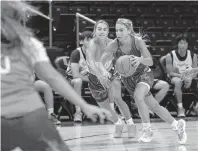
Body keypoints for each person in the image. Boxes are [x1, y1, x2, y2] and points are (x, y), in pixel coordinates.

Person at [1, 1, 110, 151]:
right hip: (30, 116)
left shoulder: (29, 44)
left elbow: (53, 78)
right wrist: (84, 106)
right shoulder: (29, 44)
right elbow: (53, 78)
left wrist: (84, 106)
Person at [99, 18, 187, 144]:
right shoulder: (114, 44)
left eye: (121, 30)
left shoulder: (138, 42)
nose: (118, 33)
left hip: (144, 74)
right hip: (128, 79)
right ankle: (177, 126)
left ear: (129, 30)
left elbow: (150, 61)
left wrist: (140, 59)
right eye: (116, 30)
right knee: (155, 106)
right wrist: (103, 72)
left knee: (138, 96)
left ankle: (147, 130)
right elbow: (101, 62)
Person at [84, 20, 136, 138]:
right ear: (95, 30)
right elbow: (92, 63)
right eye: (99, 29)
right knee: (106, 109)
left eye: (104, 29)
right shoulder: (92, 44)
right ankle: (118, 124)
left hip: (111, 74)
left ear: (108, 31)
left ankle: (131, 124)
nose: (102, 31)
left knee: (118, 98)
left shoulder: (113, 44)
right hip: (94, 77)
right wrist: (100, 75)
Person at [166, 35, 198, 117]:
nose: (183, 45)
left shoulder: (193, 55)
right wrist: (182, 76)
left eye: (185, 43)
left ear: (187, 44)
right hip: (175, 77)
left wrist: (189, 78)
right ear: (177, 44)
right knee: (178, 82)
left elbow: (195, 72)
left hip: (190, 77)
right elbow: (170, 73)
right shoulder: (170, 55)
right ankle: (180, 108)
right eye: (181, 43)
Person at [66, 31, 92, 122]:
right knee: (78, 81)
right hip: (71, 80)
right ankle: (78, 112)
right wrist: (90, 80)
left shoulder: (94, 54)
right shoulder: (76, 53)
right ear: (81, 42)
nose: (91, 42)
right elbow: (75, 75)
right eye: (88, 40)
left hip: (86, 79)